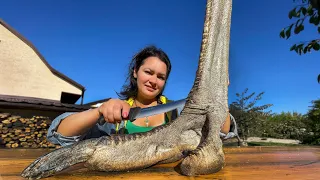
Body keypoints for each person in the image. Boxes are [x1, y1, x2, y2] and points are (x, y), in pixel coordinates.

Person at [47, 45, 231, 146]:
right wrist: (99, 111)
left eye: (161, 77)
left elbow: (221, 132)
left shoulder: (178, 111)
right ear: (135, 71)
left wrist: (220, 93)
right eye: (148, 72)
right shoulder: (115, 111)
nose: (153, 81)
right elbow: (60, 135)